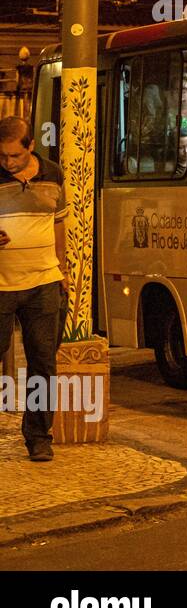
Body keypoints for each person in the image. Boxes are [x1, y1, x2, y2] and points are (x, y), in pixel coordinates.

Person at [0, 116, 68, 462]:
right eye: (3, 156)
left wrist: (63, 269)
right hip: (1, 285)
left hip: (43, 281)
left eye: (15, 155)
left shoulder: (53, 174)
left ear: (30, 147)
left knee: (43, 365)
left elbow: (59, 222)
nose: (8, 162)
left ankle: (39, 437)